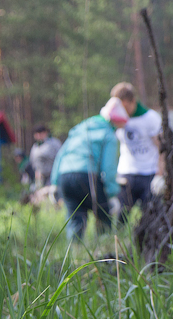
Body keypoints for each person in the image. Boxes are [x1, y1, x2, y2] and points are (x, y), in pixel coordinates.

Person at [50, 98, 127, 239]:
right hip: (87, 177)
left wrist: (54, 184)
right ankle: (105, 253)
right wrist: (112, 194)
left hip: (64, 177)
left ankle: (75, 255)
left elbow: (61, 155)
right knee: (104, 216)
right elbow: (108, 168)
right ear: (114, 121)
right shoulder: (109, 134)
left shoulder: (80, 129)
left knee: (75, 219)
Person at [110, 82, 163, 218]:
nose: (123, 110)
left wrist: (160, 174)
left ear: (133, 101)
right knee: (121, 215)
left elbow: (162, 148)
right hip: (126, 173)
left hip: (148, 173)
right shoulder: (117, 120)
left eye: (125, 106)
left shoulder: (150, 118)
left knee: (150, 215)